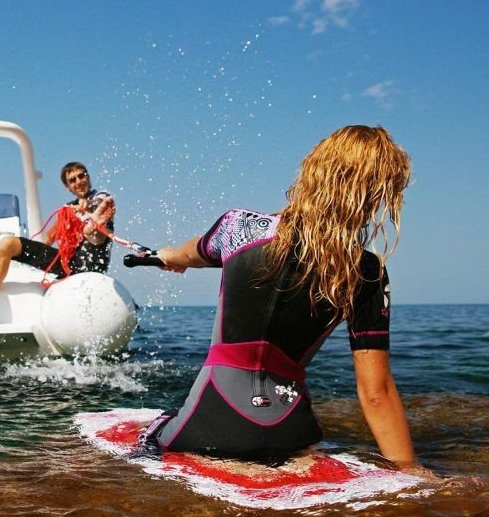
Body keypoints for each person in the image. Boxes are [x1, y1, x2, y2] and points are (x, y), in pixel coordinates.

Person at [140, 125, 431, 476]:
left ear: (313, 171)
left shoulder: (239, 227)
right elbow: (376, 393)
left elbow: (190, 253)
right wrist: (411, 471)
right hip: (292, 434)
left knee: (149, 438)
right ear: (374, 195)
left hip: (208, 426)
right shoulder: (366, 271)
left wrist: (169, 256)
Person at [0, 162, 115, 318]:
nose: (79, 182)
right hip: (68, 264)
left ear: (88, 176)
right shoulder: (68, 209)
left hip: (93, 261)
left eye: (81, 176)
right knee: (7, 244)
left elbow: (100, 201)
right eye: (73, 180)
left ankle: (93, 227)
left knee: (96, 229)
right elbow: (50, 238)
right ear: (67, 186)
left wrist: (89, 206)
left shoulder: (102, 196)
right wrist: (33, 258)